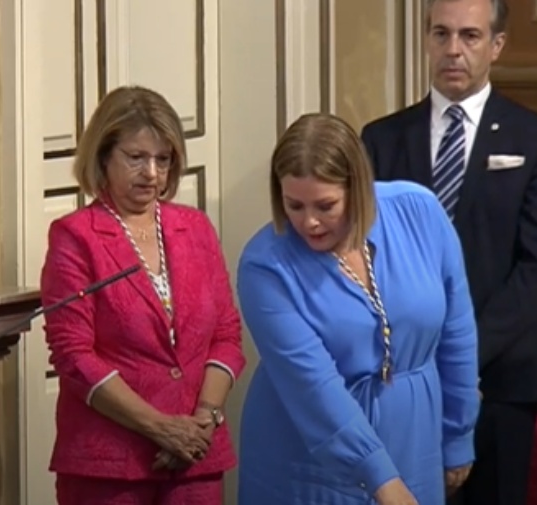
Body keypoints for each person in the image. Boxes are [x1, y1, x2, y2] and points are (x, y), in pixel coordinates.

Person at [360, 1, 537, 504]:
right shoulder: (382, 139)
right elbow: (368, 258)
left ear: (496, 45)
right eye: (441, 34)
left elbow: (535, 271)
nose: (453, 50)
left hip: (501, 376)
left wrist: (461, 357)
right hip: (404, 375)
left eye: (470, 36)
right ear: (427, 41)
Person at [236, 112, 480, 505]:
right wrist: (382, 479)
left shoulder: (418, 211)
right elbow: (311, 385)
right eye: (294, 205)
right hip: (307, 456)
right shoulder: (265, 264)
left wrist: (459, 432)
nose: (309, 222)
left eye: (325, 205)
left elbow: (457, 331)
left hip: (415, 438)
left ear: (358, 188)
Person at [40, 85, 246, 505]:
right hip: (110, 467)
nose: (151, 173)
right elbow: (74, 356)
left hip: (196, 460)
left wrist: (204, 418)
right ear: (103, 157)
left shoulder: (196, 228)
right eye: (136, 157)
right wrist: (159, 427)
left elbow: (226, 334)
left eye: (163, 159)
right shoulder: (75, 237)